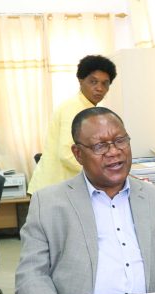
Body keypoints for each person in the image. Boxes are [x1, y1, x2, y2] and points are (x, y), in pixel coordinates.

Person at [16, 107, 155, 294]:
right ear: (78, 154)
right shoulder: (48, 204)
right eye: (100, 146)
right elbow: (31, 276)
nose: (114, 152)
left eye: (120, 141)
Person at [27, 54, 117, 195]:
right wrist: (101, 173)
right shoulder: (75, 108)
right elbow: (67, 154)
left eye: (105, 83)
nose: (99, 88)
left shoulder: (87, 109)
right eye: (93, 82)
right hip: (52, 191)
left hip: (61, 188)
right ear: (81, 81)